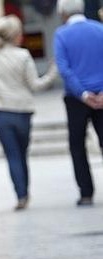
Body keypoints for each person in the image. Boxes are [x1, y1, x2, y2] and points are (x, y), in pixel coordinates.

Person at [0, 15, 57, 211]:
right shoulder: (23, 56)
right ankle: (24, 192)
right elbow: (36, 85)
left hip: (0, 111)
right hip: (22, 111)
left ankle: (21, 194)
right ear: (16, 35)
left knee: (12, 155)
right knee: (22, 153)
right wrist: (53, 72)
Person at [54, 0, 103, 206]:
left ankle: (86, 192)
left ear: (63, 12)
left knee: (77, 145)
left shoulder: (61, 35)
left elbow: (64, 69)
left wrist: (83, 93)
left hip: (76, 98)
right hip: (101, 95)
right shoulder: (100, 29)